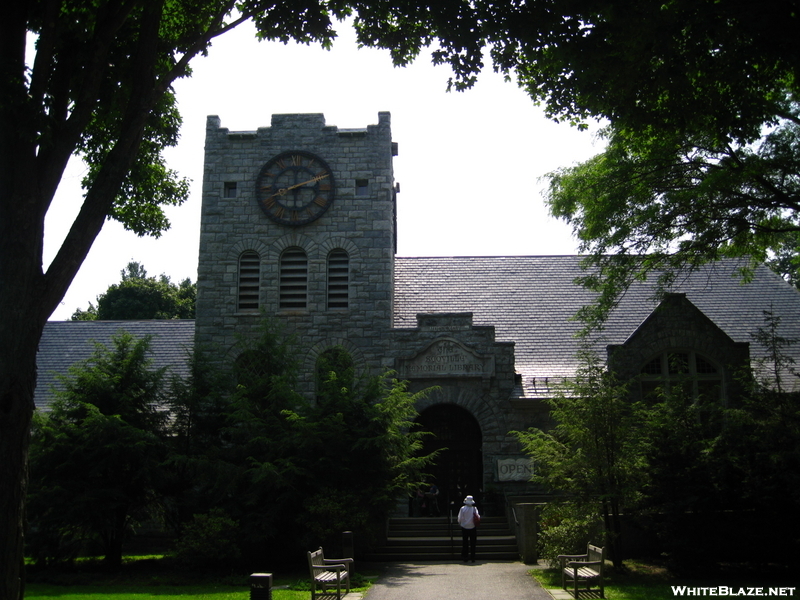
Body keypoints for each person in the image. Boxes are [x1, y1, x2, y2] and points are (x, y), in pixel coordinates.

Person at [457, 495, 480, 562]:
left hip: (464, 527)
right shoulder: (474, 508)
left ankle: (465, 556)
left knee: (465, 542)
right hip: (472, 526)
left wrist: (460, 523)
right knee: (473, 543)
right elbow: (478, 516)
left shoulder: (462, 508)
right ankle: (473, 557)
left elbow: (460, 518)